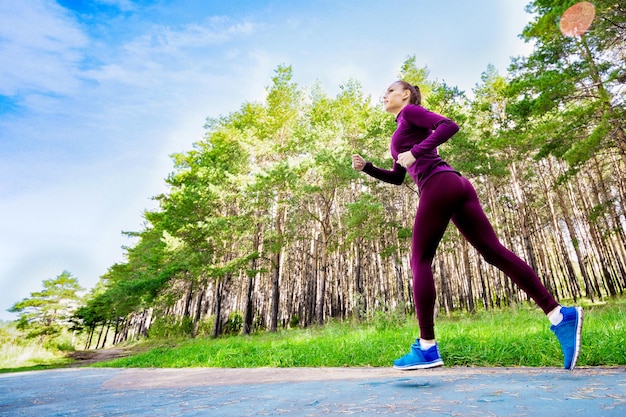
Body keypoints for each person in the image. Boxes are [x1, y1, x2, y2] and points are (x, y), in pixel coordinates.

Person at [351, 80, 583, 371]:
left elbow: (449, 125)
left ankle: (427, 348)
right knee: (493, 252)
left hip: (439, 184)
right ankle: (560, 315)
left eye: (389, 91)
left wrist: (418, 151)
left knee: (420, 261)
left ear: (406, 95)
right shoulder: (400, 130)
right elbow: (399, 177)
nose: (383, 95)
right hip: (455, 184)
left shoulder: (411, 113)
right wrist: (368, 168)